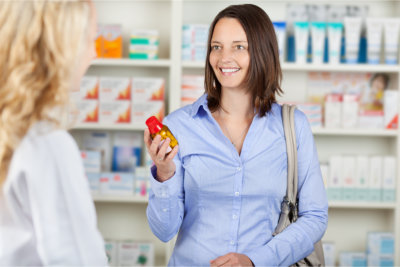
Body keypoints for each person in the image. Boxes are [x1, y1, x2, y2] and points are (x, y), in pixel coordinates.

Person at [144, 4, 328, 266]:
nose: (223, 57)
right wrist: (164, 173)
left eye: (239, 47)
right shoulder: (180, 126)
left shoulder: (293, 127)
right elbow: (163, 231)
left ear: (262, 52)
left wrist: (255, 260)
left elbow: (315, 217)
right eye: (216, 47)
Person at [0, 0, 107, 265]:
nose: (93, 54)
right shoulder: (46, 144)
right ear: (61, 47)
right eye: (89, 40)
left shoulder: (9, 127)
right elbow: (75, 259)